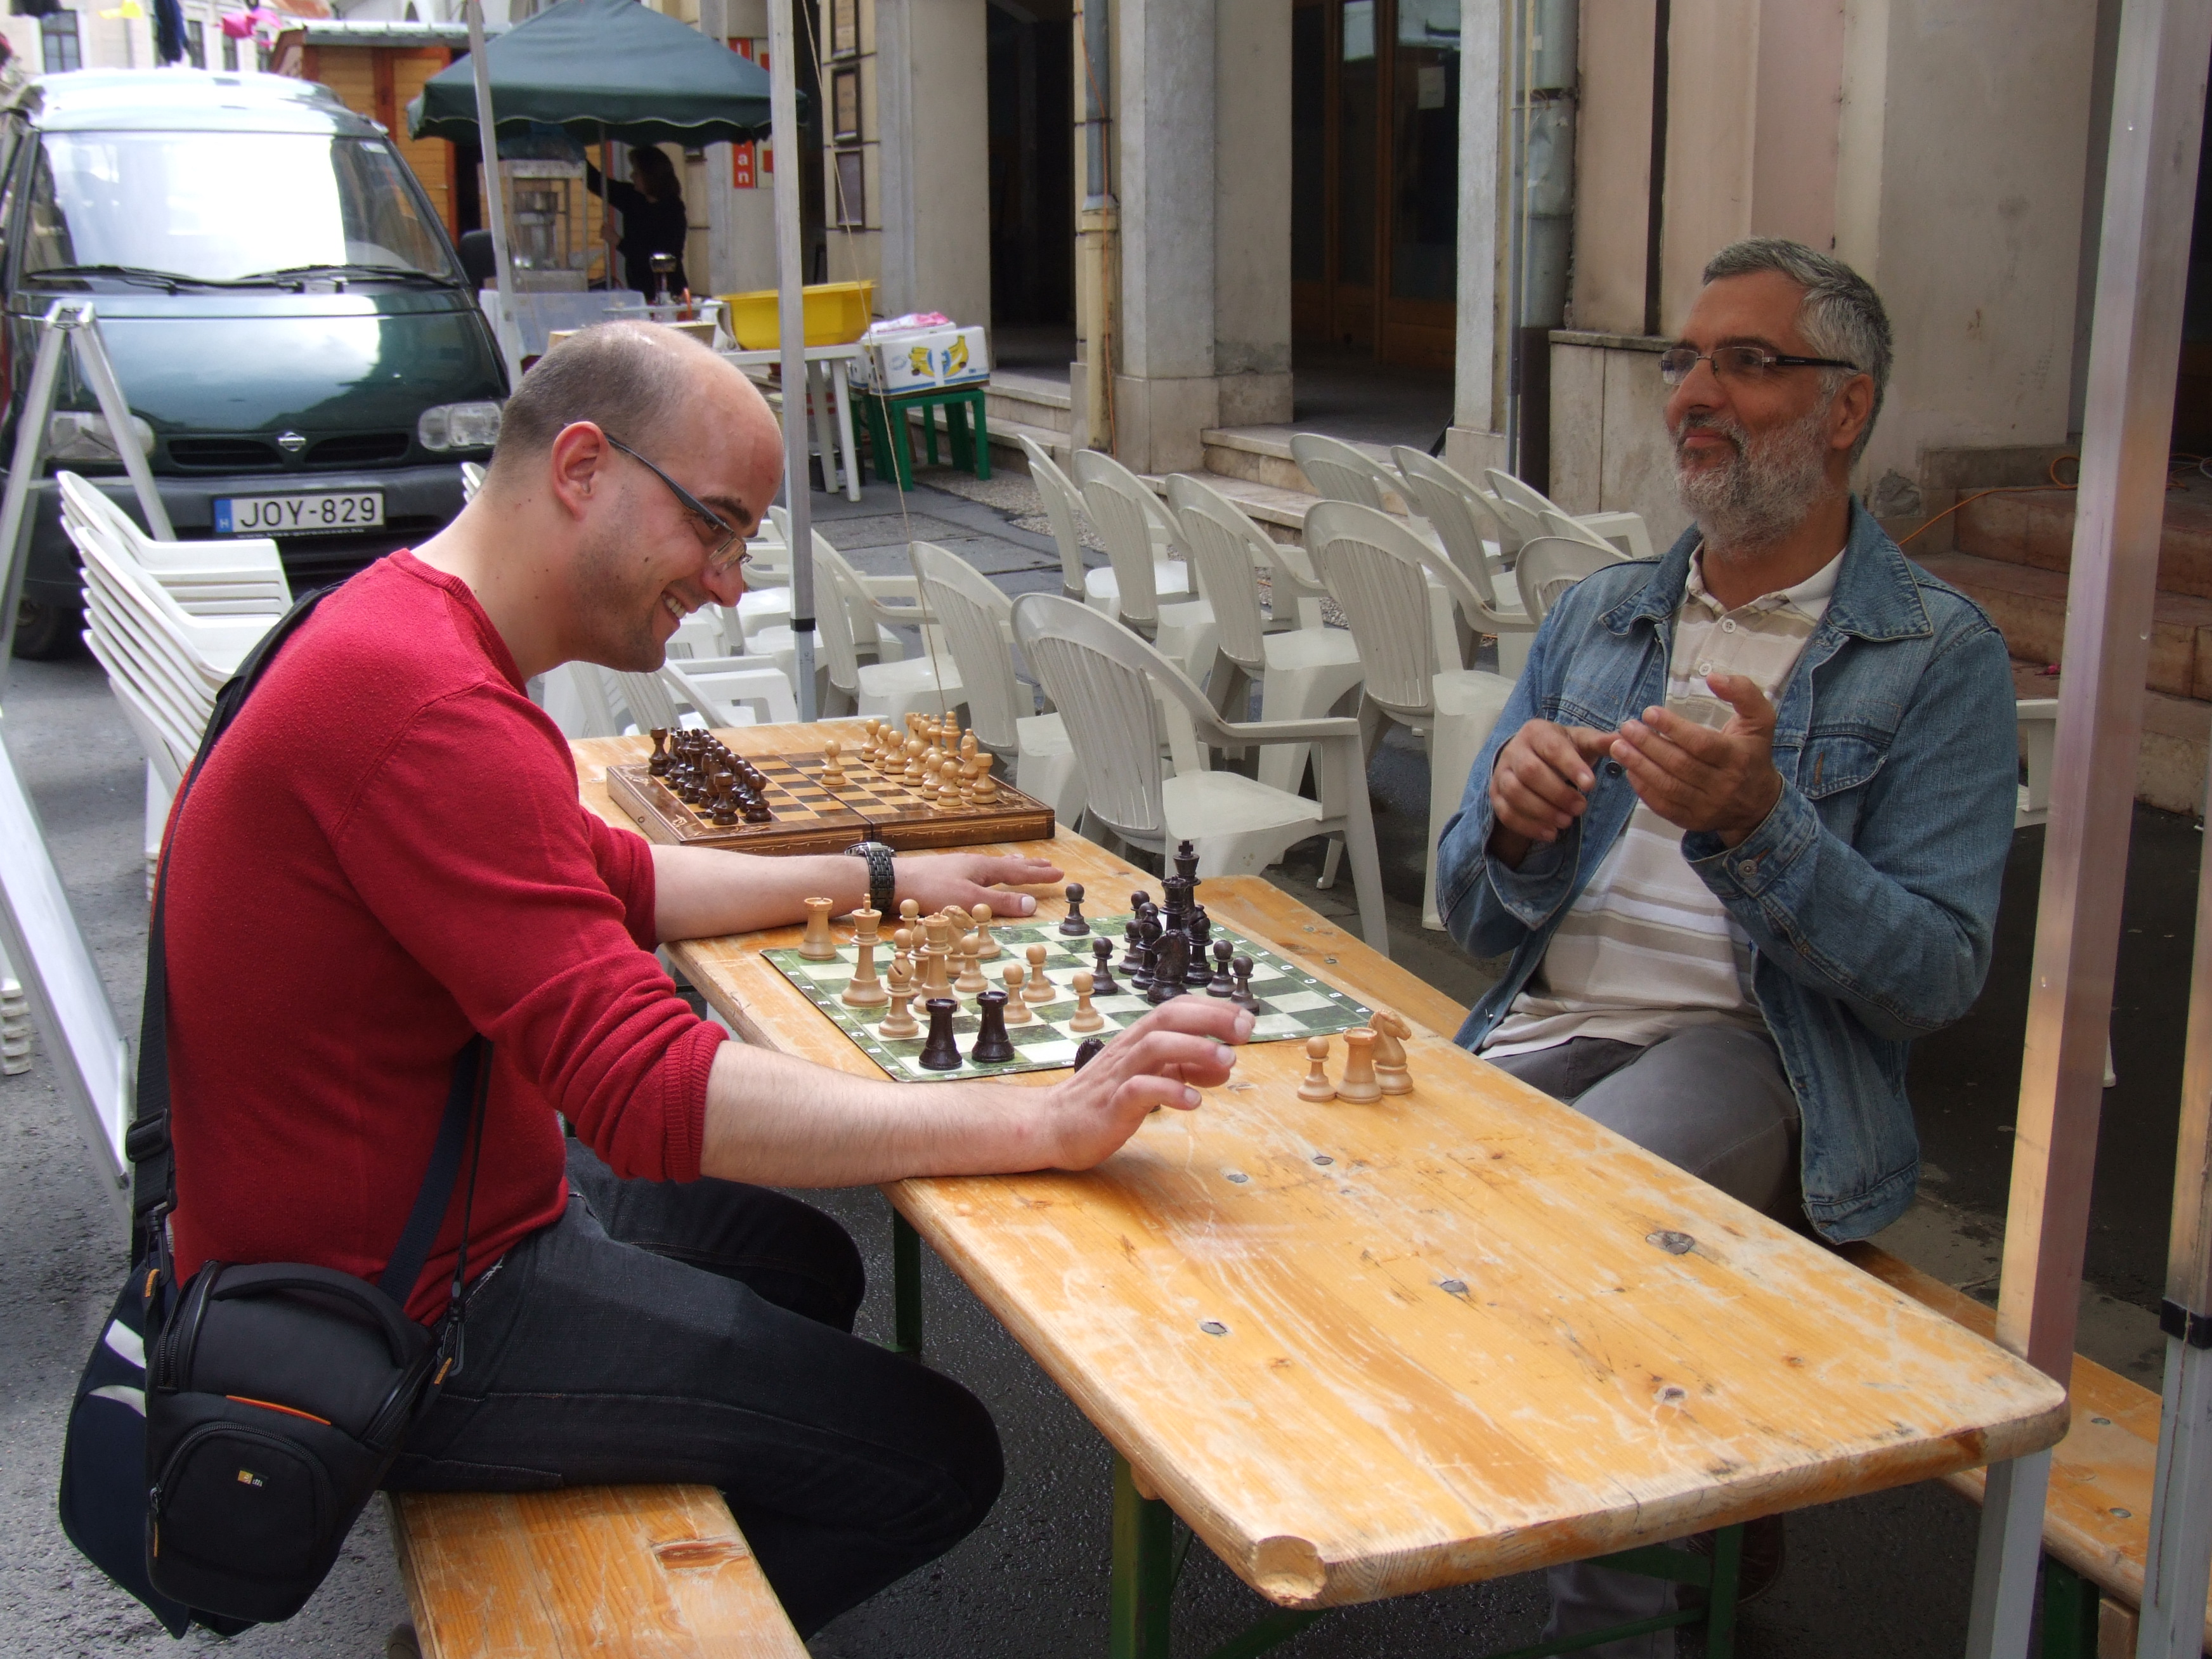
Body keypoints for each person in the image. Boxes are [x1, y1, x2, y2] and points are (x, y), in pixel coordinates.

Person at [159, 321, 1251, 1639]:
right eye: (716, 527)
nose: (731, 584)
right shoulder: (424, 706)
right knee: (935, 1454)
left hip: (446, 1210)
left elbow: (622, 876)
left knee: (798, 1259)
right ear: (582, 468)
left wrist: (886, 874)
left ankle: (693, 1531)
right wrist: (1039, 1120)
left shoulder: (403, 631)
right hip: (388, 1317)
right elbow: (652, 1093)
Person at [1434, 238, 2019, 1656]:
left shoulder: (1934, 654)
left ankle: (1621, 1624)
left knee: (1587, 1212)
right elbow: (1468, 913)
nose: (1695, 393)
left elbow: (1936, 975)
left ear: (1844, 407)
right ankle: (1685, 1509)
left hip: (1757, 1053)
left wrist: (1762, 826)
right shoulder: (1599, 613)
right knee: (1365, 1190)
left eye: (1746, 363)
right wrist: (1509, 827)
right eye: (1683, 361)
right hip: (1547, 1024)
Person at [587, 145, 690, 297]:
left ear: (650, 176)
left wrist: (618, 242)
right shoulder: (634, 198)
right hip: (638, 290)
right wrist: (578, 158)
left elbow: (664, 262)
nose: (632, 176)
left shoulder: (673, 211)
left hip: (668, 292)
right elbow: (597, 183)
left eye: (637, 172)